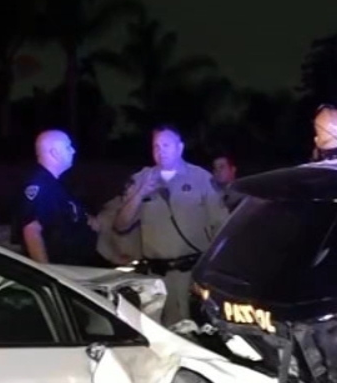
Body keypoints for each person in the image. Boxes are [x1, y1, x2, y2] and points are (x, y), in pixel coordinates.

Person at [112, 125, 230, 323]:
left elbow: (221, 225)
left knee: (193, 332)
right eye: (156, 146)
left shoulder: (201, 178)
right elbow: (121, 225)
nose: (160, 151)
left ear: (180, 147)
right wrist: (141, 193)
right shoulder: (140, 179)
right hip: (155, 278)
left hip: (191, 276)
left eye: (166, 145)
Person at [14, 129, 104, 266]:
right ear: (55, 153)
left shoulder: (57, 186)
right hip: (62, 270)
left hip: (76, 266)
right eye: (68, 147)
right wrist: (47, 273)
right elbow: (32, 229)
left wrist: (87, 219)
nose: (73, 151)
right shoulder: (39, 185)